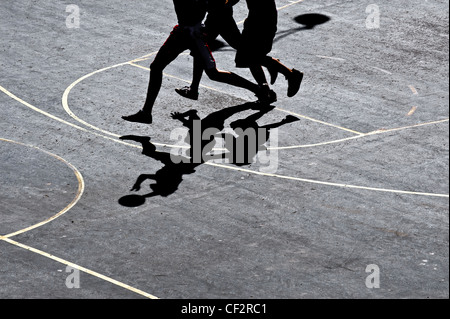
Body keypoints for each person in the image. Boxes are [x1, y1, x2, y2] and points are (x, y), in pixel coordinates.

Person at [122, 0, 273, 125]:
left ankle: (259, 88)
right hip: (192, 32)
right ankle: (148, 111)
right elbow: (215, 6)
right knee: (209, 72)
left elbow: (214, 6)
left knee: (160, 67)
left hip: (190, 33)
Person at [176, 0, 304, 102]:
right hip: (231, 15)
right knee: (245, 52)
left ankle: (276, 79)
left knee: (246, 54)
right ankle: (269, 83)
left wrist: (216, 4)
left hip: (238, 17)